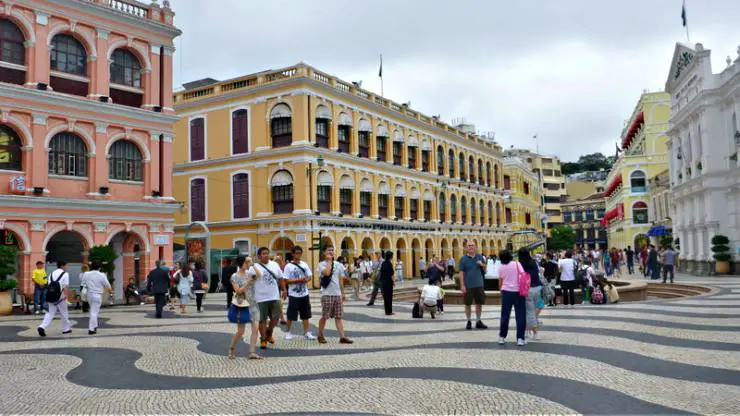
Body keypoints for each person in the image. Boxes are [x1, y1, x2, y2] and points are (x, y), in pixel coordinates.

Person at [248, 247, 284, 350]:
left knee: (275, 318)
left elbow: (280, 277)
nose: (266, 255)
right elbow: (250, 282)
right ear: (259, 256)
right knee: (262, 320)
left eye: (267, 253)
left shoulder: (274, 264)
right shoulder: (253, 267)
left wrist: (284, 289)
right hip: (260, 297)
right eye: (263, 253)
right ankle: (263, 339)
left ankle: (269, 332)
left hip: (274, 296)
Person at [228, 256, 262, 360]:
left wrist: (253, 265)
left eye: (249, 262)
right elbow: (238, 291)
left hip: (253, 305)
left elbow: (260, 275)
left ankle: (251, 352)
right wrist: (248, 282)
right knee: (241, 331)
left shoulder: (250, 274)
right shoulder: (234, 276)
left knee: (255, 329)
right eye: (247, 262)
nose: (248, 264)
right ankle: (231, 348)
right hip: (242, 305)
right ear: (242, 263)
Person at [317, 246, 353, 344]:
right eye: (329, 250)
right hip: (326, 294)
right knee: (325, 316)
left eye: (332, 250)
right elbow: (327, 273)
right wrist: (329, 261)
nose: (331, 252)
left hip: (337, 294)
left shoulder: (338, 264)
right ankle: (320, 335)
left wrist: (343, 293)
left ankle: (342, 337)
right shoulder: (321, 265)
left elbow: (340, 279)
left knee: (338, 316)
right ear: (324, 253)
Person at [283, 246, 316, 340]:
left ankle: (306, 332)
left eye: (300, 253)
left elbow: (309, 276)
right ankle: (288, 332)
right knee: (291, 315)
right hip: (294, 295)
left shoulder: (304, 264)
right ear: (292, 254)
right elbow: (286, 281)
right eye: (296, 253)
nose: (298, 255)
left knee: (306, 314)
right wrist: (299, 280)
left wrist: (307, 280)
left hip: (304, 294)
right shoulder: (288, 266)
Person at [497, 250, 526, 346]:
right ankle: (520, 338)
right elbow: (523, 275)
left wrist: (501, 292)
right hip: (518, 292)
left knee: (505, 315)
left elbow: (500, 282)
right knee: (520, 315)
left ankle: (502, 337)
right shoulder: (517, 264)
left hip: (506, 292)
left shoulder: (501, 267)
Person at [37, 261, 72, 337]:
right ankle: (66, 329)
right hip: (61, 296)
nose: (67, 267)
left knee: (50, 313)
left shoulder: (51, 274)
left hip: (51, 295)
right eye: (66, 265)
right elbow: (65, 286)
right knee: (64, 312)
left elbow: (48, 284)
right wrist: (66, 296)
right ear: (63, 266)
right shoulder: (65, 274)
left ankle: (42, 326)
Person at [459, 240, 487, 330]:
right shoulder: (463, 259)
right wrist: (462, 285)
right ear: (466, 248)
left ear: (475, 247)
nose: (471, 247)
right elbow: (461, 273)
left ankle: (478, 321)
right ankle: (469, 321)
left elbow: (486, 271)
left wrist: (482, 264)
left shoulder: (479, 257)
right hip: (468, 286)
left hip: (479, 285)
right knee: (468, 304)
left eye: (472, 245)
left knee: (479, 304)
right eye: (469, 245)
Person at [81, 261, 111, 335]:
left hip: (89, 295)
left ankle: (94, 326)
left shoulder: (86, 274)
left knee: (93, 310)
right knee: (94, 312)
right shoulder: (102, 275)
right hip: (97, 295)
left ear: (91, 266)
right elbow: (108, 286)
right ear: (99, 267)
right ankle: (91, 329)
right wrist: (110, 292)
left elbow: (83, 284)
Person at [519, 248, 542, 340]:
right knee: (533, 311)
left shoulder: (520, 264)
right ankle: (527, 330)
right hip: (537, 288)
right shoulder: (534, 262)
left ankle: (534, 332)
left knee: (529, 312)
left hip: (528, 290)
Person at [379, 250, 396, 315]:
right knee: (389, 297)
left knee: (386, 297)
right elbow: (391, 274)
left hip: (383, 282)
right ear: (390, 257)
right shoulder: (389, 264)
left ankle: (387, 311)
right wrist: (394, 282)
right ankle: (389, 311)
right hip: (388, 282)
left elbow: (381, 272)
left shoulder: (383, 263)